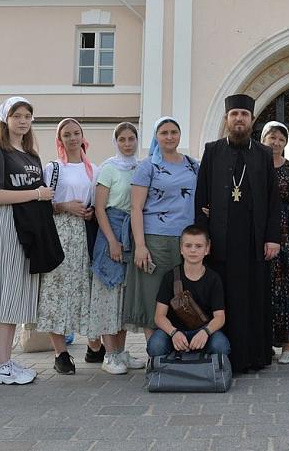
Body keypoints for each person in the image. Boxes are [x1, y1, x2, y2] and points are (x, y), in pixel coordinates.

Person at [195, 94, 281, 373]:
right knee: (224, 297)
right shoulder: (212, 151)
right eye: (235, 115)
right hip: (221, 242)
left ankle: (254, 356)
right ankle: (224, 354)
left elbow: (272, 200)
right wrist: (202, 240)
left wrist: (273, 237)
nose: (239, 119)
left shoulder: (263, 154)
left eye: (244, 115)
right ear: (226, 120)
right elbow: (201, 197)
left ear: (252, 120)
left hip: (254, 242)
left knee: (253, 297)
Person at [0, 96, 59, 385]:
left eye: (27, 115)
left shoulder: (31, 155)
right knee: (4, 293)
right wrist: (37, 194)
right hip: (5, 224)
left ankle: (5, 360)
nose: (23, 120)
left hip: (28, 226)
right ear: (6, 120)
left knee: (17, 296)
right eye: (17, 116)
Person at [128, 116, 198, 364]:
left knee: (181, 296)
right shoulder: (147, 167)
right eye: (164, 132)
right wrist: (140, 245)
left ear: (180, 136)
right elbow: (135, 208)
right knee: (153, 296)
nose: (169, 137)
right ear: (156, 137)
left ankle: (181, 347)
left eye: (174, 132)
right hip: (155, 238)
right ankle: (155, 354)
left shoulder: (192, 165)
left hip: (185, 241)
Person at [36, 118, 98, 375]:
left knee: (85, 288)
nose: (72, 138)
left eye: (76, 133)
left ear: (83, 137)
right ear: (59, 140)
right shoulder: (53, 168)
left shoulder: (93, 169)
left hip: (84, 235)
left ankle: (95, 346)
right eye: (67, 135)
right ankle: (60, 353)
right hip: (59, 232)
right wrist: (64, 206)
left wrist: (90, 212)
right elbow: (41, 205)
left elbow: (96, 202)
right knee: (56, 291)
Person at [91, 122, 142, 374]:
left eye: (131, 138)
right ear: (116, 142)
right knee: (108, 292)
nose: (127, 143)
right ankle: (109, 354)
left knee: (123, 295)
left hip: (131, 230)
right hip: (111, 227)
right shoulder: (108, 168)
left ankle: (121, 351)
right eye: (122, 139)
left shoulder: (141, 168)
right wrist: (111, 240)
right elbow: (100, 208)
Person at [147, 225, 230, 357]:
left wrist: (205, 333)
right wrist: (174, 333)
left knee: (221, 346)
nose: (193, 250)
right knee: (156, 345)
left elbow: (220, 317)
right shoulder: (170, 277)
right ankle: (172, 365)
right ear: (181, 249)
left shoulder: (214, 279)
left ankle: (203, 365)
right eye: (188, 245)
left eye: (198, 246)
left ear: (207, 249)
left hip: (203, 330)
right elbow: (159, 316)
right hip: (175, 331)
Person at [261, 121, 289, 364]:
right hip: (263, 233)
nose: (276, 143)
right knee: (265, 287)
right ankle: (265, 341)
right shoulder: (256, 165)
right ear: (263, 140)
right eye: (272, 138)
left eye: (280, 139)